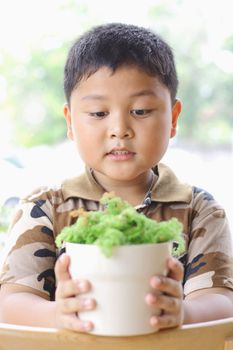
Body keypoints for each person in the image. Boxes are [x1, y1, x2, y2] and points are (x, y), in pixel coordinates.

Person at [0, 22, 233, 332]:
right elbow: (11, 303)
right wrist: (56, 314)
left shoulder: (199, 209)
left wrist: (185, 313)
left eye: (141, 111)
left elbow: (221, 301)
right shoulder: (44, 208)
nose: (119, 129)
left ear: (173, 118)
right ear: (70, 122)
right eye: (98, 113)